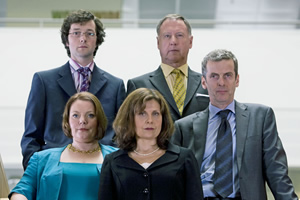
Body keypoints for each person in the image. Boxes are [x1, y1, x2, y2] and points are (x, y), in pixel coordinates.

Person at [171, 49, 298, 199]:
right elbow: (172, 180)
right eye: (214, 76)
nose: (221, 82)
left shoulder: (261, 117)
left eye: (228, 75)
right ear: (204, 82)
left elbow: (277, 173)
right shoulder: (183, 127)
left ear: (237, 80)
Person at [21, 10, 125, 169]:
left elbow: (122, 136)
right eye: (76, 33)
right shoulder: (43, 81)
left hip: (102, 170)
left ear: (97, 40)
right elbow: (31, 136)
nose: (83, 38)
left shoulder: (116, 85)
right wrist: (36, 171)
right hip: (54, 168)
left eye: (90, 33)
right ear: (66, 40)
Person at [9, 92, 118, 200]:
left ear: (99, 120)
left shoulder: (119, 158)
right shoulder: (41, 159)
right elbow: (21, 191)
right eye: (75, 115)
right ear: (67, 121)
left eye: (90, 115)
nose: (82, 121)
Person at [98, 88, 203, 200]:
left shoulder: (184, 158)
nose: (150, 120)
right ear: (129, 118)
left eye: (155, 114)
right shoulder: (112, 162)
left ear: (163, 118)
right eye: (142, 113)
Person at [126, 14, 209, 122]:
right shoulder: (138, 85)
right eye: (167, 36)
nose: (173, 41)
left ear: (190, 41)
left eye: (179, 35)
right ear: (158, 42)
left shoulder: (208, 83)